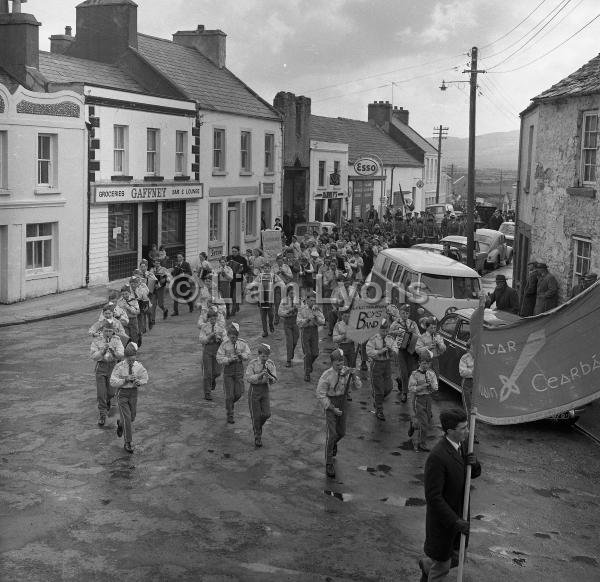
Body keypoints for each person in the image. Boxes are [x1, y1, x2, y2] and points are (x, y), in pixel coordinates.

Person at [420, 408, 481, 582]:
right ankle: (431, 569)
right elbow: (433, 497)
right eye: (463, 428)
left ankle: (427, 565)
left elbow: (472, 474)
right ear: (449, 432)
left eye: (467, 427)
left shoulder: (463, 446)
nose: (467, 431)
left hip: (460, 513)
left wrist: (474, 464)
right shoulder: (437, 457)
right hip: (444, 523)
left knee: (457, 556)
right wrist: (454, 521)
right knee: (442, 567)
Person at [316, 349, 362, 479]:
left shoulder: (347, 371)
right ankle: (329, 462)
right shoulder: (327, 375)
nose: (340, 367)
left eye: (342, 364)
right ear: (332, 363)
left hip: (343, 401)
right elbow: (320, 394)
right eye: (337, 364)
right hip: (331, 404)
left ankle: (333, 444)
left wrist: (353, 376)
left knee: (341, 433)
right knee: (332, 434)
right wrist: (331, 407)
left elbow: (358, 387)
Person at [110, 342, 148, 453]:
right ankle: (128, 442)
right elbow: (112, 381)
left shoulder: (138, 366)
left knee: (131, 418)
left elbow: (145, 377)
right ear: (126, 357)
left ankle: (120, 424)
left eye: (133, 359)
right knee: (127, 418)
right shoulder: (119, 366)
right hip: (122, 394)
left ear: (135, 357)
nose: (131, 361)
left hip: (133, 393)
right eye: (129, 359)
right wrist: (125, 379)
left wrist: (139, 382)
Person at [90, 321, 124, 426]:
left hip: (113, 368)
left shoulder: (117, 340)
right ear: (102, 331)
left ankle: (108, 401)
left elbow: (121, 355)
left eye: (110, 331)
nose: (108, 333)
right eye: (106, 331)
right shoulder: (96, 340)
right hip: (101, 367)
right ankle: (102, 415)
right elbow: (93, 356)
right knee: (101, 393)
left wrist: (114, 352)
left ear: (113, 331)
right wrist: (102, 351)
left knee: (111, 392)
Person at [216, 322, 251, 424]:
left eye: (235, 337)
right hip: (228, 372)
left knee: (239, 393)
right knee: (229, 395)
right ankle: (230, 414)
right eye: (231, 337)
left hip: (239, 371)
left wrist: (242, 356)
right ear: (228, 336)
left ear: (237, 336)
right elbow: (219, 358)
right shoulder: (224, 345)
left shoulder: (242, 343)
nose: (233, 339)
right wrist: (229, 359)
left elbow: (248, 354)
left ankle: (229, 404)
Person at [245, 343, 277, 448]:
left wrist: (270, 378)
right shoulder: (253, 364)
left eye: (267, 356)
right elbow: (248, 378)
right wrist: (259, 375)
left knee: (267, 414)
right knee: (256, 415)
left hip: (264, 390)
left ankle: (257, 426)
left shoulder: (270, 364)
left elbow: (275, 379)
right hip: (254, 391)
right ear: (259, 354)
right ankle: (257, 437)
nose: (265, 358)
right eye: (263, 356)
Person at [366, 318, 398, 421]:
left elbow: (396, 347)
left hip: (387, 364)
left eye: (387, 330)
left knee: (388, 387)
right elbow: (369, 351)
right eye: (383, 331)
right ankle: (379, 410)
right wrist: (379, 351)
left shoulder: (390, 338)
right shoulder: (373, 338)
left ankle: (377, 398)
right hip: (377, 364)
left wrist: (392, 350)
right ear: (379, 329)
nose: (385, 333)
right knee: (378, 388)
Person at [389, 304, 420, 402]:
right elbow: (388, 334)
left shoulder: (413, 323)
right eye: (403, 313)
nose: (405, 315)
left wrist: (413, 332)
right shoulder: (396, 323)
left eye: (407, 313)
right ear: (400, 313)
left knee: (411, 372)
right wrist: (395, 333)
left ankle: (400, 380)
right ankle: (405, 393)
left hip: (410, 350)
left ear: (409, 314)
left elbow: (418, 335)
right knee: (404, 371)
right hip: (400, 351)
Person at [408, 352, 438, 452]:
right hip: (419, 399)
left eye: (428, 363)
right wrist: (422, 386)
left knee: (427, 420)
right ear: (419, 363)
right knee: (424, 424)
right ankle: (421, 443)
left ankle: (413, 424)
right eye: (424, 363)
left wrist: (431, 386)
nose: (426, 365)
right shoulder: (414, 374)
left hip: (428, 399)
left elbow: (435, 388)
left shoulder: (431, 374)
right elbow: (411, 388)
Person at [297, 291, 326, 382]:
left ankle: (308, 366)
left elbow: (323, 321)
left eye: (314, 300)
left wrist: (316, 318)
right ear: (307, 300)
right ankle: (307, 373)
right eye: (311, 300)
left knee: (315, 353)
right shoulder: (302, 309)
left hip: (314, 331)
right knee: (308, 353)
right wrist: (307, 320)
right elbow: (298, 322)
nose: (313, 302)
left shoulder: (317, 309)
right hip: (305, 331)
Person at [198, 308, 225, 400]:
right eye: (211, 319)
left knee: (217, 372)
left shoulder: (220, 327)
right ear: (208, 319)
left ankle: (213, 379)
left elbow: (226, 339)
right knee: (207, 373)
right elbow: (201, 339)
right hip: (208, 350)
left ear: (216, 318)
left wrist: (221, 339)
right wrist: (209, 336)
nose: (213, 320)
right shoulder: (204, 327)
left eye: (214, 318)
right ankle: (207, 393)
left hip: (217, 350)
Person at [458, 340, 478, 444]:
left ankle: (472, 432)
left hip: (477, 385)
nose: (475, 349)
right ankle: (470, 434)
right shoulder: (464, 358)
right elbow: (462, 372)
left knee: (475, 410)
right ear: (468, 349)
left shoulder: (480, 357)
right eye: (473, 348)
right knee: (468, 410)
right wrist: (473, 372)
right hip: (467, 384)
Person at [278, 285, 300, 367]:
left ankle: (291, 352)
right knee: (289, 342)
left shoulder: (297, 300)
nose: (293, 294)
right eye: (291, 293)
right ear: (288, 293)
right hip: (287, 323)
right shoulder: (284, 301)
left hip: (296, 322)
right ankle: (288, 360)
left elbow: (303, 310)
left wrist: (298, 309)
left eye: (294, 293)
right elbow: (279, 312)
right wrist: (288, 311)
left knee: (295, 340)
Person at [227, 246, 248, 316]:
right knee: (232, 294)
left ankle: (233, 309)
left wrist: (242, 270)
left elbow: (246, 269)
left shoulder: (242, 259)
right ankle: (237, 305)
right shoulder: (229, 258)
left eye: (235, 251)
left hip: (239, 277)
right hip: (231, 278)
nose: (234, 253)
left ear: (238, 251)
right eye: (232, 251)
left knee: (236, 294)